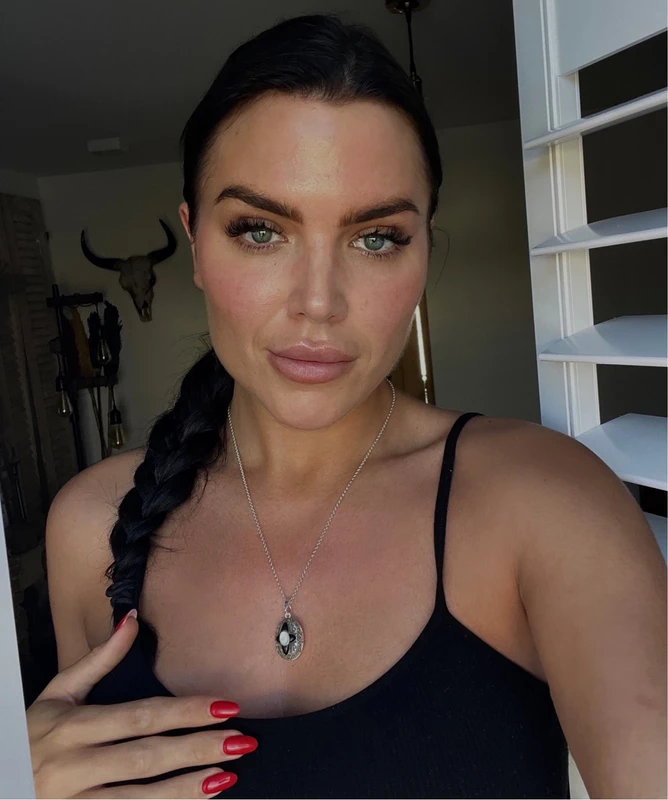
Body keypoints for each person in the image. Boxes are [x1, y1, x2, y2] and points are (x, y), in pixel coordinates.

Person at [27, 12, 666, 800]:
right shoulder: (90, 528)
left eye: (376, 237)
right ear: (195, 241)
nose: (319, 302)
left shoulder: (542, 502)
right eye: (260, 231)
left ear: (424, 248)